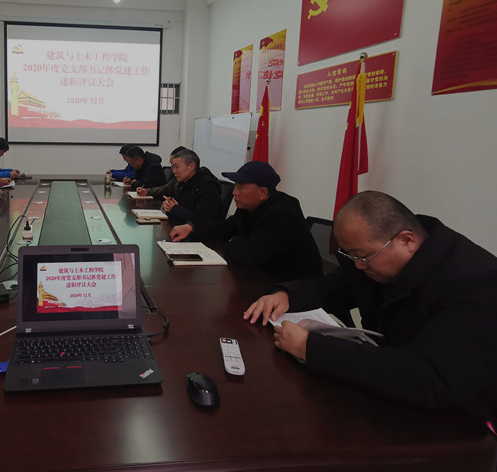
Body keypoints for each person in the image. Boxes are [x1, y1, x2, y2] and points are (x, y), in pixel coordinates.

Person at [243, 191, 497, 428]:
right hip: (387, 394)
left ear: (406, 240)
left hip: (463, 421)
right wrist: (286, 295)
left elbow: (428, 378)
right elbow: (336, 287)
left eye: (362, 257)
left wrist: (311, 348)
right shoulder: (378, 256)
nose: (358, 266)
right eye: (351, 256)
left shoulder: (479, 283)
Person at [170, 160, 321, 281]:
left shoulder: (282, 215)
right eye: (235, 186)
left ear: (262, 193)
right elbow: (224, 228)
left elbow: (247, 255)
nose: (234, 193)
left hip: (295, 290)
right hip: (260, 278)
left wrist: (232, 241)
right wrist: (191, 228)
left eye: (240, 187)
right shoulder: (248, 207)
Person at [157, 149, 222, 225]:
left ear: (191, 166)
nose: (173, 171)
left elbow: (201, 219)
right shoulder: (183, 182)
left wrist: (174, 209)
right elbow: (180, 207)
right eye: (173, 167)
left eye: (177, 167)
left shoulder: (208, 185)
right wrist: (169, 206)